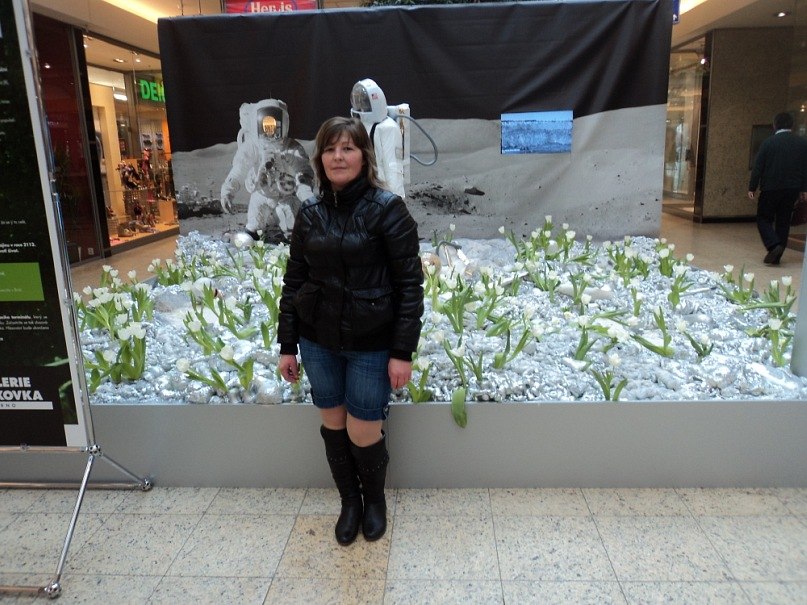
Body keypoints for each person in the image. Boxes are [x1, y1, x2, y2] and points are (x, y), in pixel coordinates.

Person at [277, 117, 424, 545]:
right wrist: (288, 345)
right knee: (334, 425)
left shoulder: (388, 209)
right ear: (320, 159)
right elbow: (294, 282)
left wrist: (402, 351)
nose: (338, 157)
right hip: (318, 341)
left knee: (363, 430)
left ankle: (374, 501)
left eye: (348, 148)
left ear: (364, 156)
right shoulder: (310, 213)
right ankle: (350, 502)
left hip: (371, 343)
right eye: (330, 149)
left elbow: (410, 286)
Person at [220, 98, 314, 241]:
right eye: (266, 126)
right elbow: (239, 171)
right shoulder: (252, 147)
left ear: (282, 124)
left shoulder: (291, 148)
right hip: (261, 195)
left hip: (286, 196)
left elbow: (303, 172)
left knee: (291, 224)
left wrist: (307, 197)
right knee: (254, 225)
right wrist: (228, 192)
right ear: (257, 125)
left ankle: (292, 237)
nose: (270, 131)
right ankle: (253, 234)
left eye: (273, 126)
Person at [747, 111, 807, 265]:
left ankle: (773, 245)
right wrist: (804, 189)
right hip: (792, 189)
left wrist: (752, 187)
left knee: (763, 218)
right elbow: (805, 168)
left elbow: (758, 167)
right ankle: (777, 256)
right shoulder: (802, 144)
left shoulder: (768, 143)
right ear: (792, 125)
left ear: (775, 125)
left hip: (770, 188)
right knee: (783, 220)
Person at [350, 78, 406, 198]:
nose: (360, 105)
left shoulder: (387, 128)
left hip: (382, 190)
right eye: (358, 101)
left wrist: (396, 199)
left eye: (364, 102)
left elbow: (392, 166)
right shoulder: (363, 125)